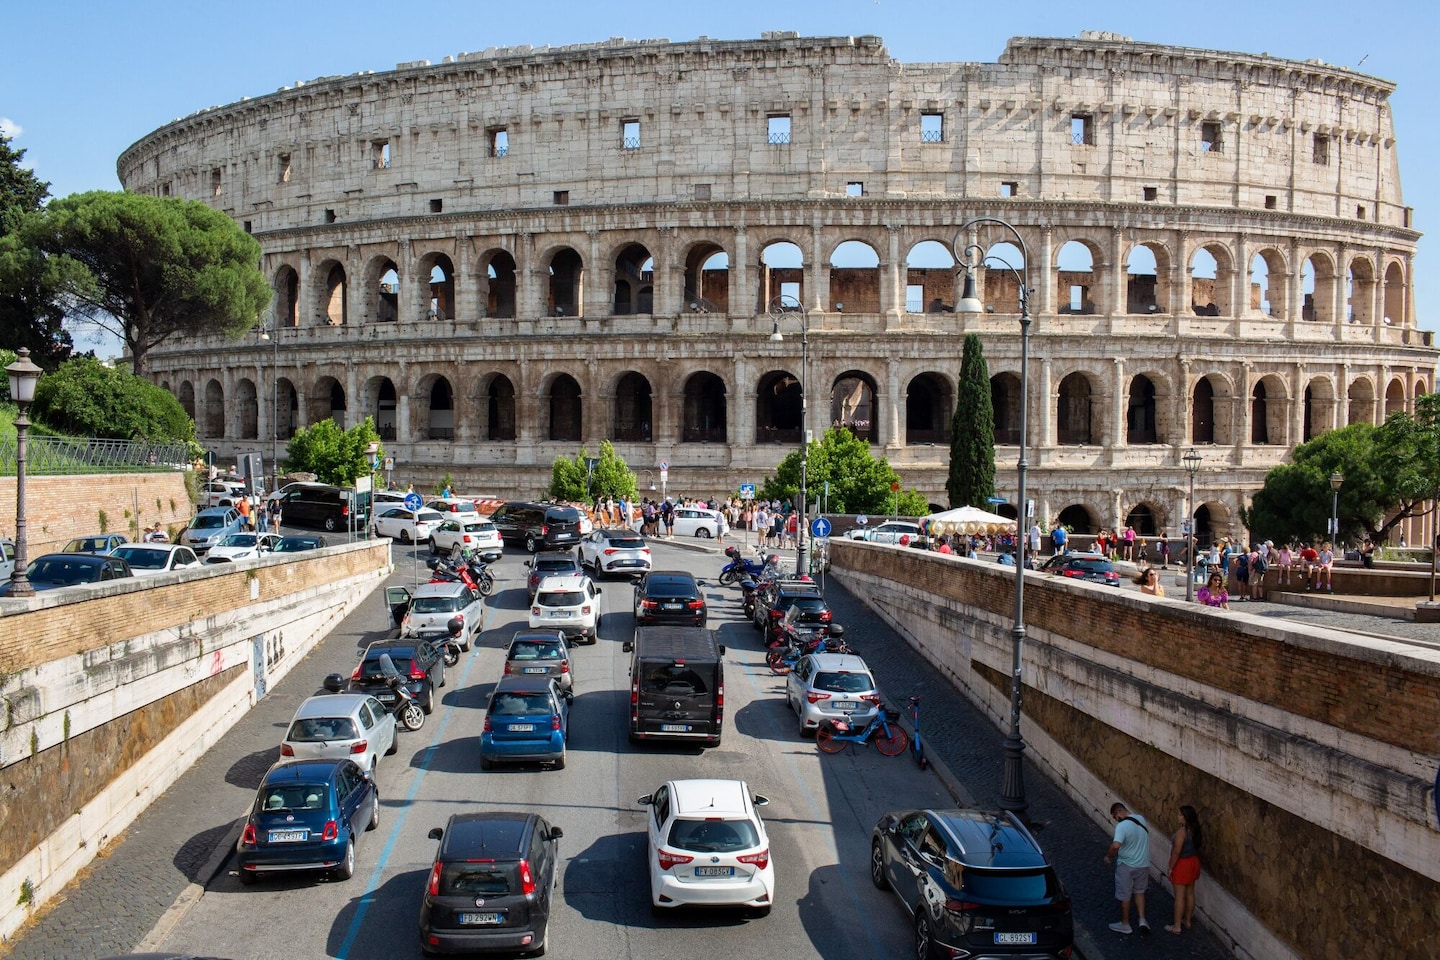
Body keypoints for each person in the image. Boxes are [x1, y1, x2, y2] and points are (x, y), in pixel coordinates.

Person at [1105, 802, 1152, 936]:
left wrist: (1109, 857)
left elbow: (1115, 846)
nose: (1116, 820)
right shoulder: (1141, 819)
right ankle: (1142, 920)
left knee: (1125, 895)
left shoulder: (1122, 826)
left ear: (1119, 812)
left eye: (1115, 817)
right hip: (1143, 864)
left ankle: (1125, 924)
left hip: (1127, 865)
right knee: (1139, 892)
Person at [1165, 805, 1204, 934]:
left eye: (1180, 815)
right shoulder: (1196, 830)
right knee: (1190, 893)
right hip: (1194, 862)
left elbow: (1176, 852)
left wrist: (1171, 867)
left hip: (1183, 864)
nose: (1178, 816)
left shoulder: (1182, 833)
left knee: (1179, 897)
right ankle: (1187, 920)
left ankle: (1176, 926)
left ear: (1186, 818)